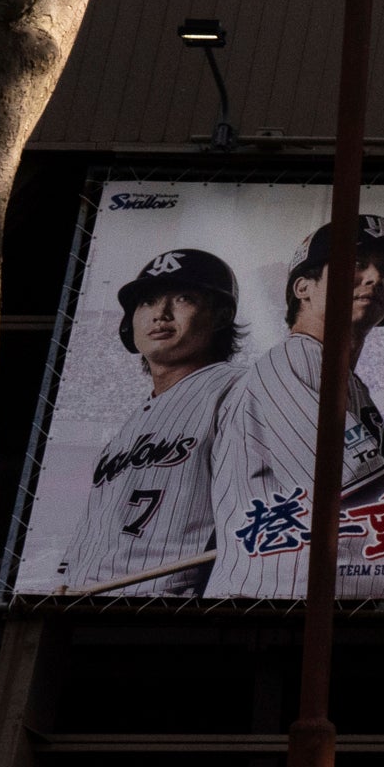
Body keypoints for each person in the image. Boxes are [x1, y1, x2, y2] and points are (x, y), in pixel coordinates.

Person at [208, 211, 384, 602]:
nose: (376, 278)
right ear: (304, 287)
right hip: (275, 612)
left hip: (326, 605)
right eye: (357, 264)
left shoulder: (346, 380)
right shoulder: (295, 360)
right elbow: (354, 488)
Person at [56, 247, 244, 595]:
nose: (161, 314)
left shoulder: (239, 388)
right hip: (88, 601)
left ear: (220, 316)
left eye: (184, 298)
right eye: (148, 302)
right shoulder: (137, 419)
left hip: (171, 605)